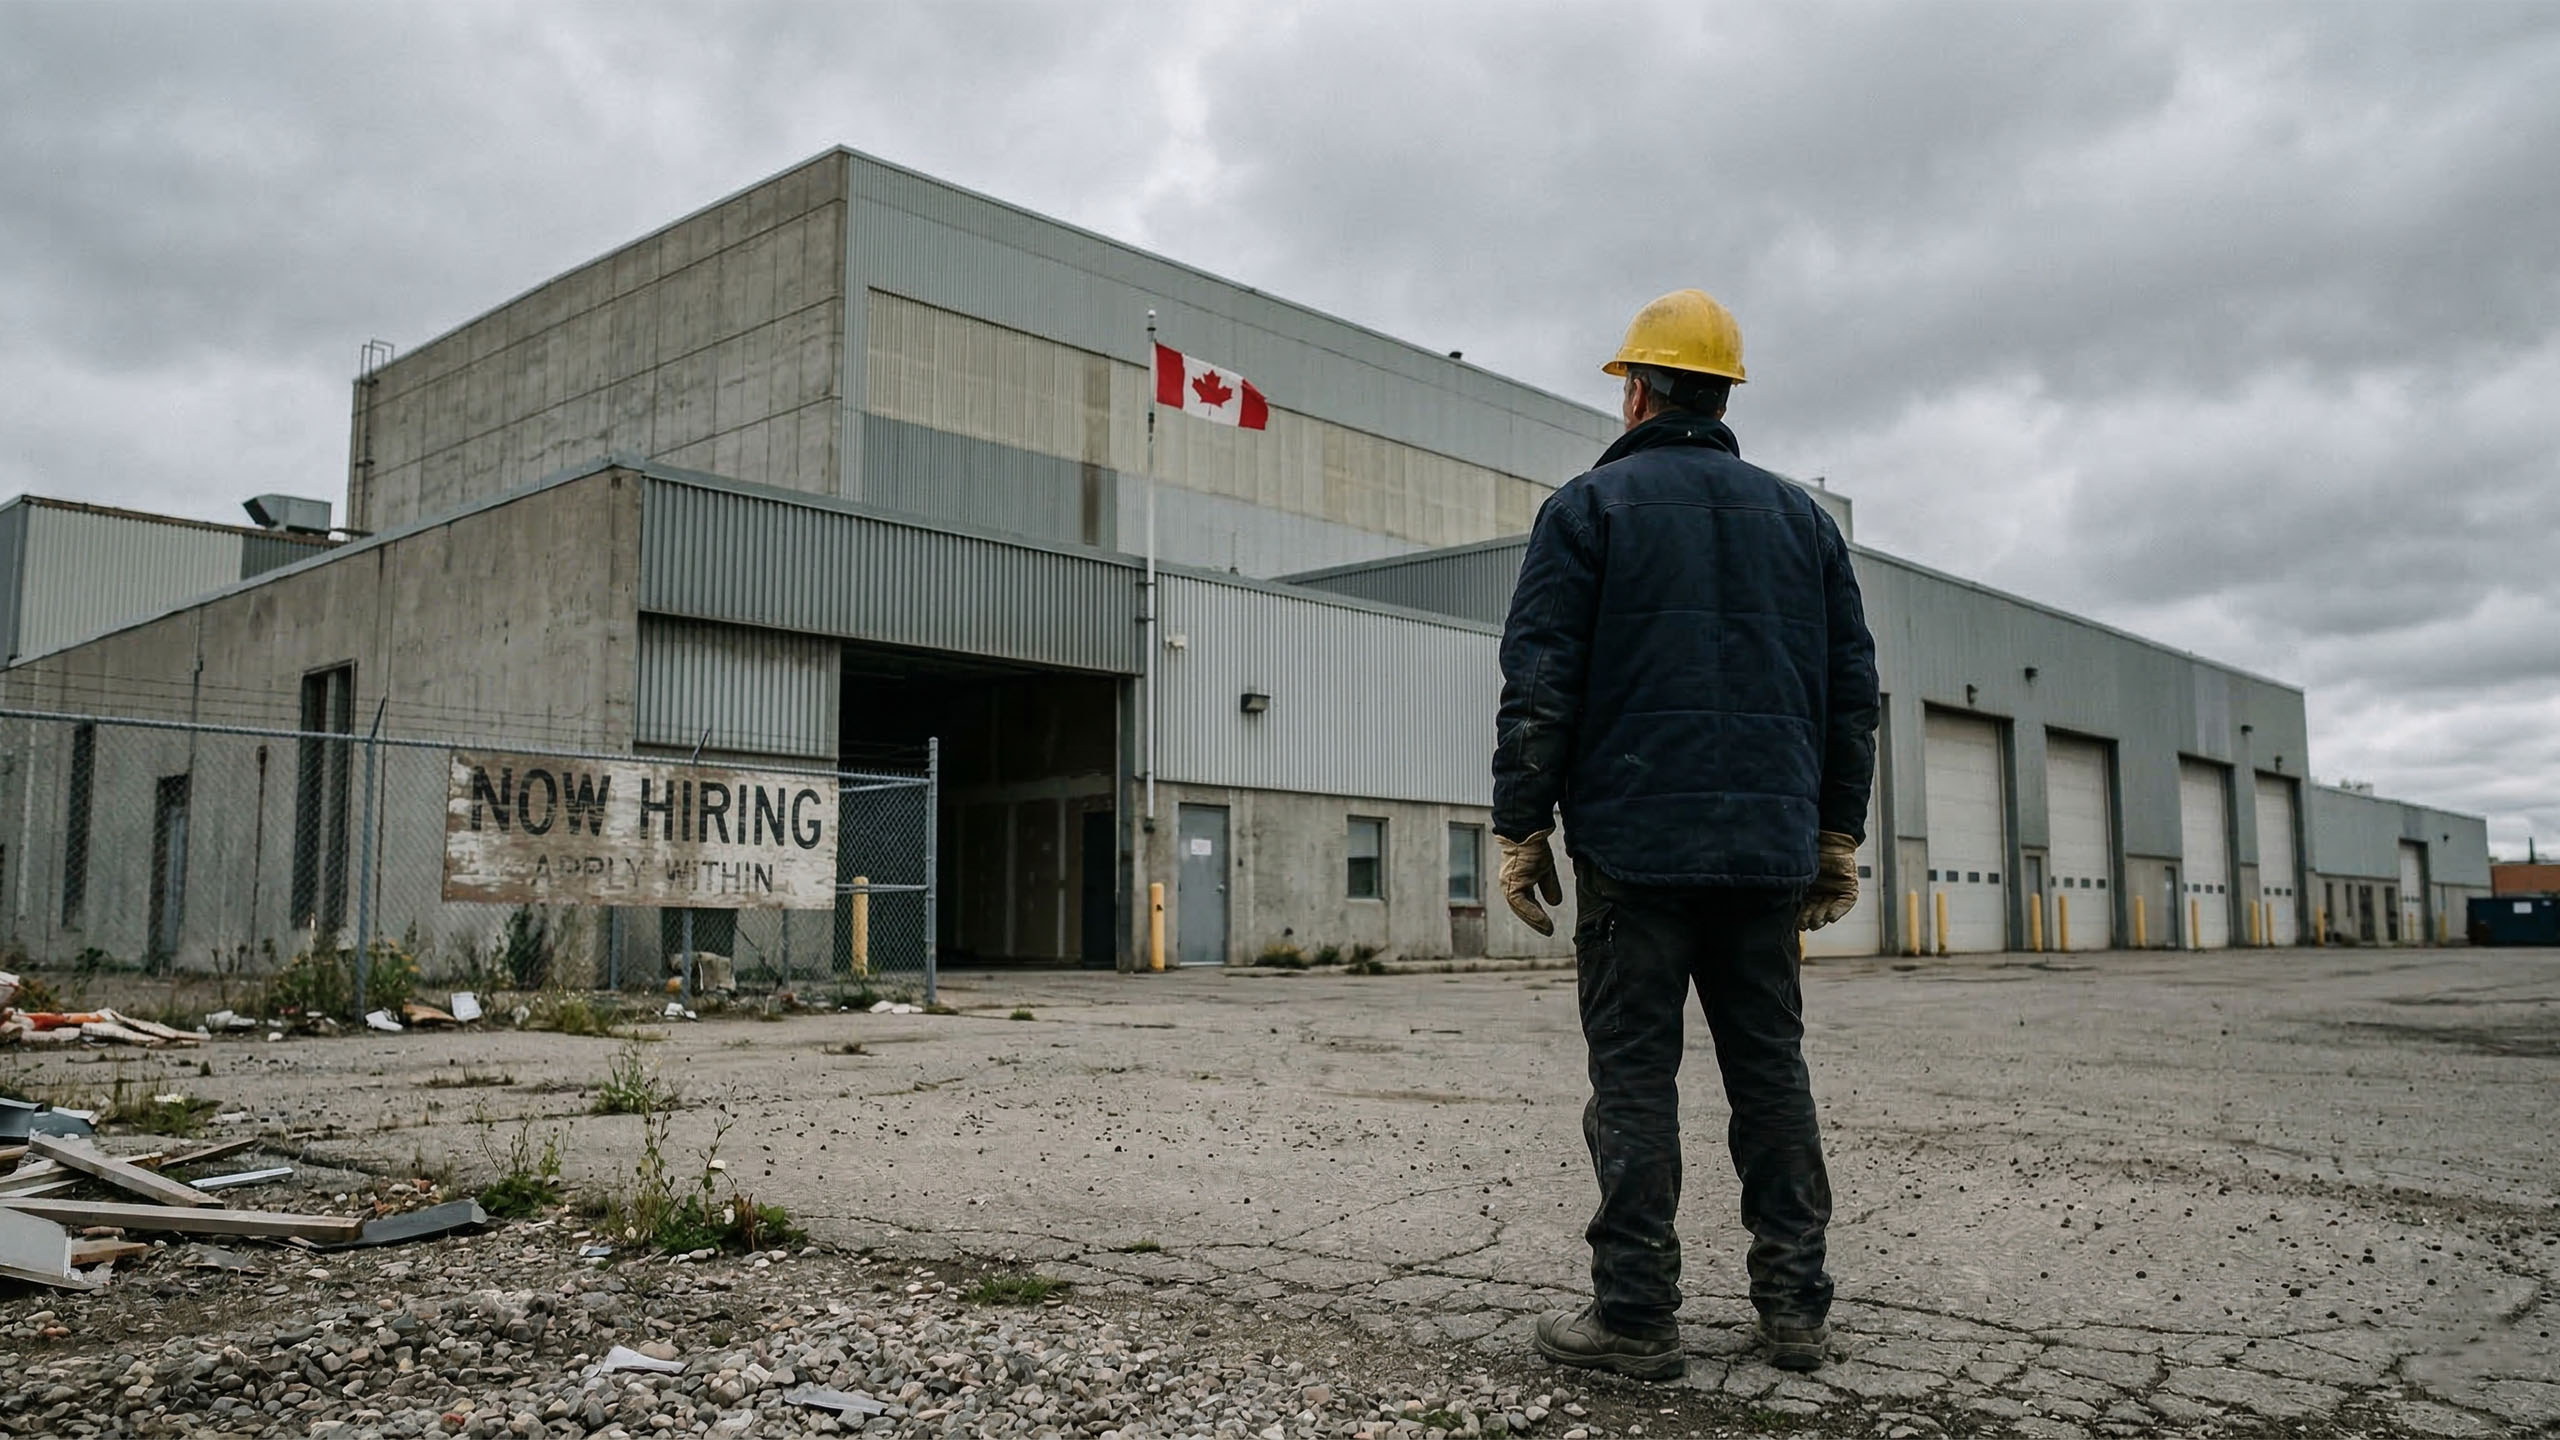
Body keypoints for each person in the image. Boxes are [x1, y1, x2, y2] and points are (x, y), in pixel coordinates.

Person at [1492, 288, 1879, 1380]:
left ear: (1636, 391)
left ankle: (1635, 1320)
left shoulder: (1586, 511)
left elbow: (1540, 684)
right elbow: (1850, 691)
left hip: (1633, 848)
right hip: (1766, 852)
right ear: (1722, 395)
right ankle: (1795, 1313)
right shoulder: (1803, 523)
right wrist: (1835, 831)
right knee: (1770, 1072)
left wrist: (1521, 826)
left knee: (1632, 1075)